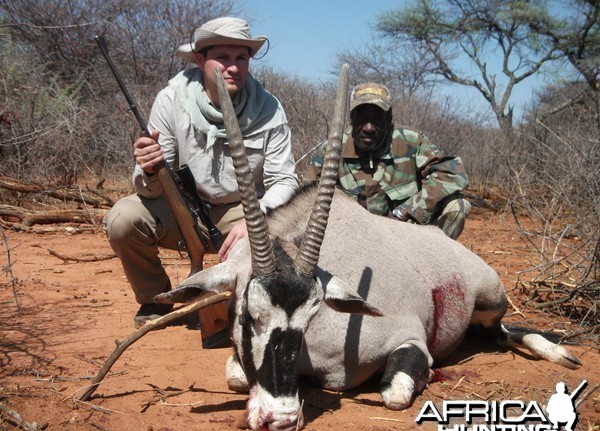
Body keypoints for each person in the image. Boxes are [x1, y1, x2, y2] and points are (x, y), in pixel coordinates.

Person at [105, 17, 299, 328]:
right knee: (122, 219)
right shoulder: (172, 98)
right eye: (223, 57)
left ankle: (234, 309)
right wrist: (149, 168)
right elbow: (150, 188)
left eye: (241, 58)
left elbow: (285, 180)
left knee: (281, 239)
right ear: (200, 60)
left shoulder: (269, 108)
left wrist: (258, 217)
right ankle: (156, 300)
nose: (233, 67)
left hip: (242, 212)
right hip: (182, 208)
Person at [303, 82, 471, 239]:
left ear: (389, 120)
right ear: (351, 119)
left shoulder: (411, 141)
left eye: (376, 120)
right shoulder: (331, 150)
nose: (368, 128)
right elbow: (305, 199)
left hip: (405, 235)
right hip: (352, 239)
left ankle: (431, 266)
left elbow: (453, 173)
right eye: (361, 119)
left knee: (457, 206)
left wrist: (410, 210)